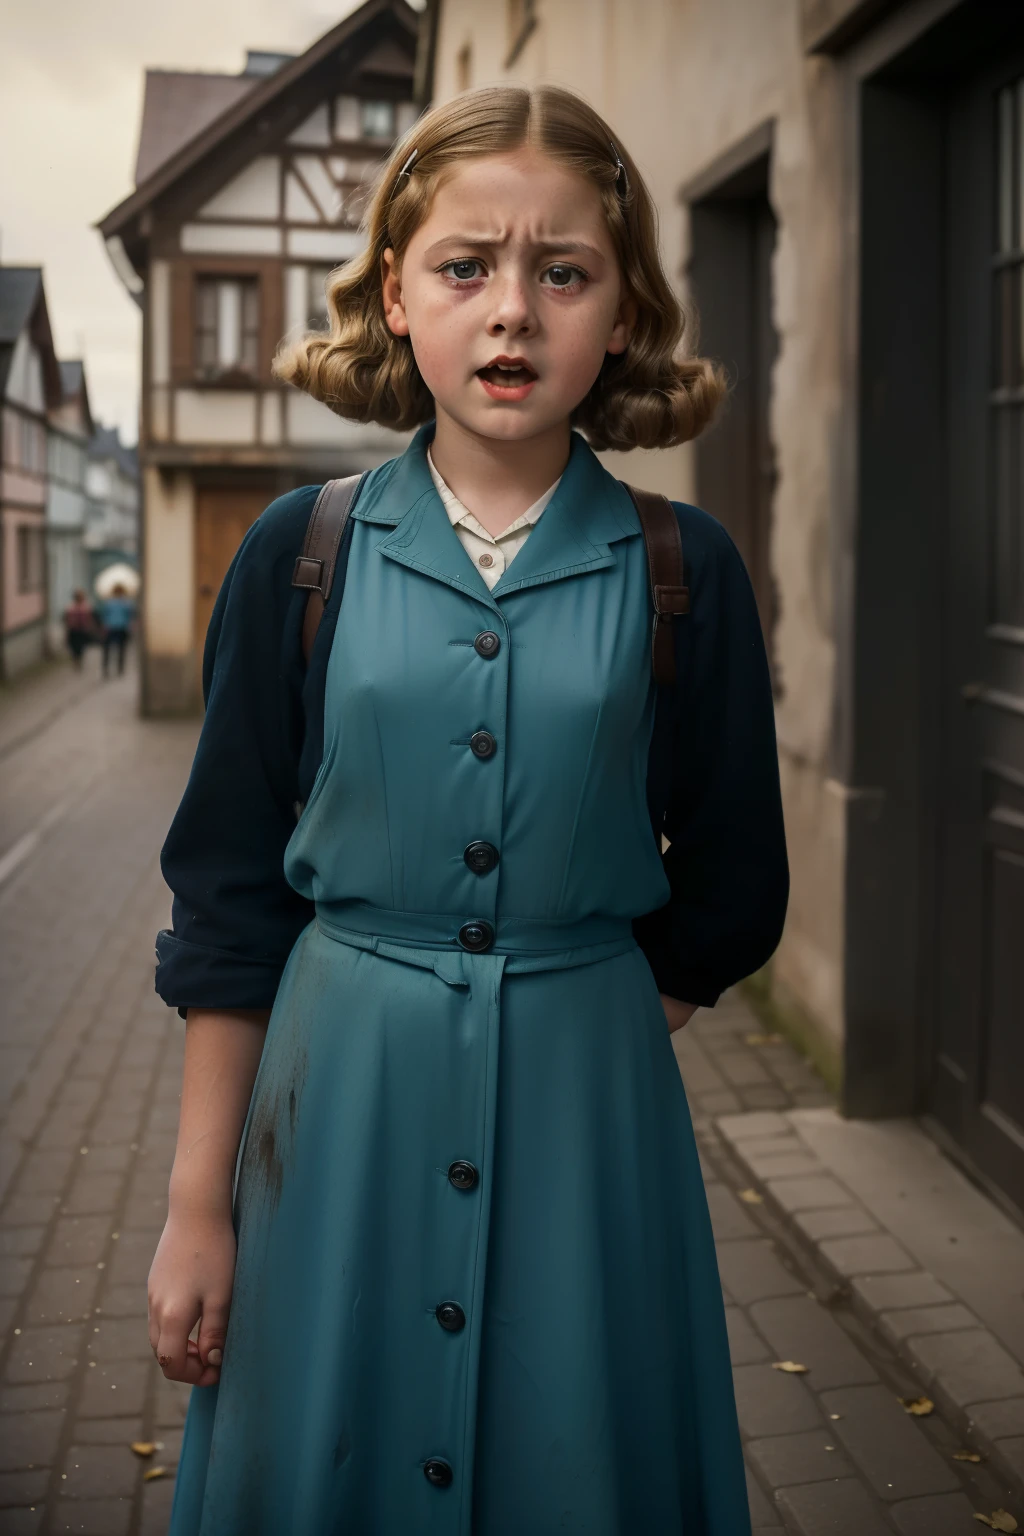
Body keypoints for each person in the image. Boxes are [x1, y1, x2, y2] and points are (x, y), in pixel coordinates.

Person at [150, 86, 788, 1536]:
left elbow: (738, 880)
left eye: (562, 271)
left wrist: (583, 1008)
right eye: (466, 267)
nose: (513, 312)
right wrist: (199, 1209)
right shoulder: (293, 556)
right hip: (333, 1115)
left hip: (593, 1119)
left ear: (620, 310)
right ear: (396, 292)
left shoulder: (686, 569)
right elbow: (230, 903)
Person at [98, 581, 134, 677]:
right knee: (121, 649)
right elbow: (130, 616)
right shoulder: (126, 603)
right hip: (121, 628)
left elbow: (104, 616)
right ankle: (119, 668)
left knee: (108, 650)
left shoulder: (109, 603)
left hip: (111, 627)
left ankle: (106, 668)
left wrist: (104, 626)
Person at [63, 588, 94, 668]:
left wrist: (89, 626)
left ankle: (79, 659)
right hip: (73, 629)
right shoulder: (70, 607)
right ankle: (76, 659)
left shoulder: (86, 607)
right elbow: (66, 618)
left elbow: (89, 618)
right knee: (73, 646)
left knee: (81, 646)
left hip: (82, 629)